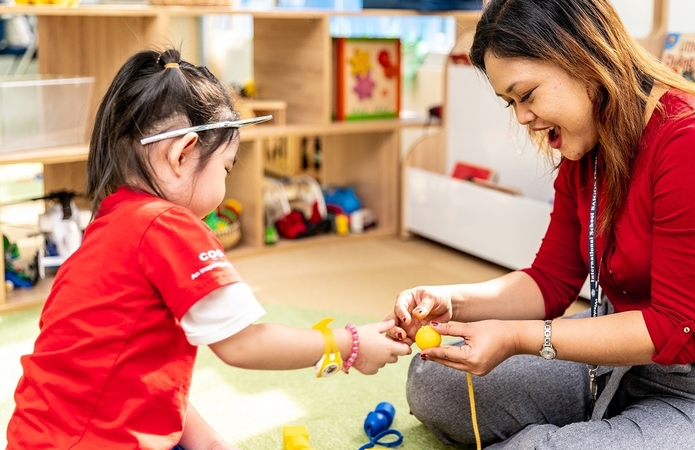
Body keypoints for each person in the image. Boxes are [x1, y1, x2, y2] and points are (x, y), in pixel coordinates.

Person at [388, 0, 695, 449]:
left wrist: (517, 338)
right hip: (628, 362)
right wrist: (455, 301)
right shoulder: (587, 144)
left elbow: (676, 331)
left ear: (583, 59)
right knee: (436, 379)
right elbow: (550, 282)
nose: (522, 117)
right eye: (511, 103)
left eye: (527, 95)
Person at [6, 48, 411, 450]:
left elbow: (134, 375)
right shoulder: (168, 224)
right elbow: (243, 344)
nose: (225, 183)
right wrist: (351, 344)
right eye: (226, 168)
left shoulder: (107, 228)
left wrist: (210, 443)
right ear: (182, 154)